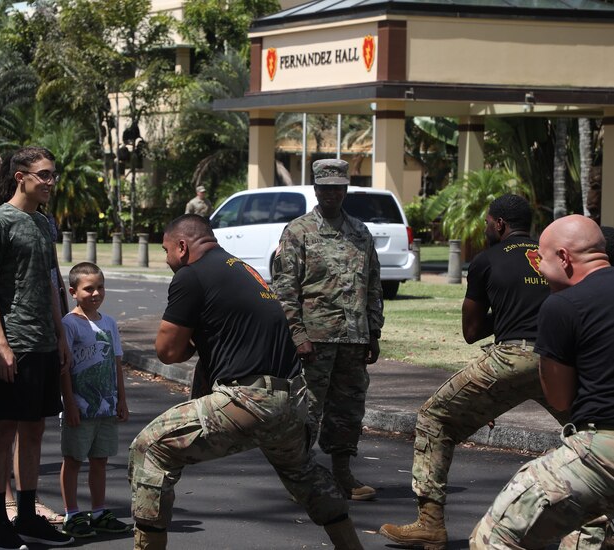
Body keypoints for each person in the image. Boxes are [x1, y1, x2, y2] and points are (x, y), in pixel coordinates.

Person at [128, 214, 364, 550]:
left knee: (149, 448)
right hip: (291, 400)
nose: (167, 260)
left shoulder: (190, 276)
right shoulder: (243, 270)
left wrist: (192, 338)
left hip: (248, 398)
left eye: (166, 251)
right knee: (304, 475)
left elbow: (167, 351)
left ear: (182, 247)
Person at [378, 194, 570, 548]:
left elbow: (471, 331)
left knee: (435, 418)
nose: (484, 229)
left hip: (511, 358)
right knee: (590, 437)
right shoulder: (552, 257)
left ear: (499, 224)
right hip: (557, 360)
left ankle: (430, 523)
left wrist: (508, 312)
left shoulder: (486, 260)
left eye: (486, 223)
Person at [470, 215, 614, 548]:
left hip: (601, 451)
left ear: (564, 258)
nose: (538, 270)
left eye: (541, 260)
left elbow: (560, 399)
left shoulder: (561, 306)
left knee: (493, 538)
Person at [0, 146, 73, 549]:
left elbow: (50, 281)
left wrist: (61, 333)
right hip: (11, 343)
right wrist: (0, 343)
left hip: (43, 343)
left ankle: (28, 517)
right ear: (21, 176)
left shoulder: (42, 222)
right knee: (2, 433)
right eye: (44, 175)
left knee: (34, 430)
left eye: (53, 175)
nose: (50, 182)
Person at [272, 158, 384, 501]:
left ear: (345, 189)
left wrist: (374, 331)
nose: (332, 194)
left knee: (348, 410)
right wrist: (298, 334)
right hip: (315, 341)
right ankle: (301, 476)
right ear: (316, 189)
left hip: (354, 337)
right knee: (307, 411)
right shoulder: (298, 232)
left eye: (338, 187)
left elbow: (373, 284)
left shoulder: (360, 232)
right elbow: (284, 288)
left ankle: (342, 474)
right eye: (326, 188)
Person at [59, 262, 131, 539]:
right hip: (80, 406)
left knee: (100, 459)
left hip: (107, 405)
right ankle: (72, 514)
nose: (96, 293)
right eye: (89, 288)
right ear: (73, 291)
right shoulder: (69, 323)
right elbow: (63, 368)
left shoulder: (109, 322)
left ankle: (99, 511)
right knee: (74, 459)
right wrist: (69, 403)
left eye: (100, 287)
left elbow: (116, 363)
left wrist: (121, 400)